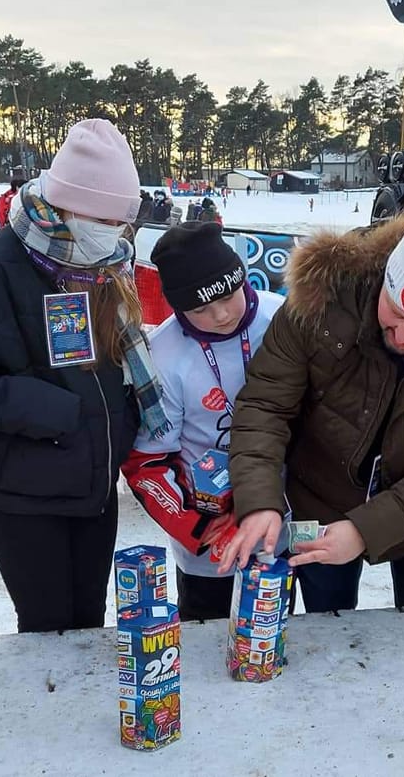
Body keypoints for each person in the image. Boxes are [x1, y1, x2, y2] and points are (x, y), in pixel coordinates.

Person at [0, 119, 166, 633]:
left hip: (91, 483)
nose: (114, 233)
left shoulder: (102, 263)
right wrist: (60, 412)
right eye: (101, 218)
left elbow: (114, 363)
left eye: (120, 221)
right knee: (47, 626)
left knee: (87, 621)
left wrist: (120, 423)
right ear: (65, 205)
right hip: (20, 490)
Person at [221, 214, 404, 612]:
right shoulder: (322, 300)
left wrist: (365, 530)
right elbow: (265, 403)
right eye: (394, 312)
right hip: (320, 505)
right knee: (328, 630)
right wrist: (259, 499)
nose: (402, 335)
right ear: (383, 279)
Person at [122, 222, 285, 620]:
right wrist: (203, 528)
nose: (221, 314)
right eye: (200, 309)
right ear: (179, 309)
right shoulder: (163, 352)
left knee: (272, 630)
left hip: (282, 514)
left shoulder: (281, 318)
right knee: (202, 629)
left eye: (228, 296)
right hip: (207, 521)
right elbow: (147, 463)